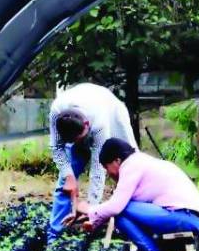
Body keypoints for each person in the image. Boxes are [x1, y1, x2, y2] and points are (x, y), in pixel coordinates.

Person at [71, 137, 199, 251]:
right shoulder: (140, 162)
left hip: (184, 216)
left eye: (107, 167)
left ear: (117, 160)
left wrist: (88, 210)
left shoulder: (131, 166)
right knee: (122, 214)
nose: (108, 173)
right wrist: (94, 220)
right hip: (187, 216)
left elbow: (116, 206)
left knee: (121, 210)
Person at [48, 83, 138, 240]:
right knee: (65, 183)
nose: (78, 143)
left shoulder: (99, 122)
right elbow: (56, 148)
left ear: (86, 125)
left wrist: (91, 209)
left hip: (111, 111)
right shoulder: (57, 111)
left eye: (79, 139)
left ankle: (134, 222)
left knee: (129, 164)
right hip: (84, 117)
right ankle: (54, 236)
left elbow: (98, 168)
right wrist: (69, 176)